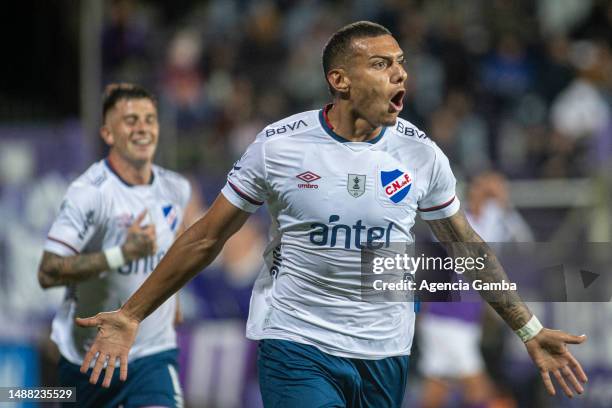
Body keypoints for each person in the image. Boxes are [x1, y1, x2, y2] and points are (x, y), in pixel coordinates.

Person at [76, 22, 588, 407]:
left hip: (384, 349)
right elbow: (206, 236)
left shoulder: (421, 154)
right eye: (383, 64)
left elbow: (467, 246)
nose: (400, 73)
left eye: (401, 62)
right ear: (340, 80)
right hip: (297, 340)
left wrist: (528, 329)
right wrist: (131, 313)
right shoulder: (279, 146)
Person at [38, 83, 194, 407]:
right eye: (131, 120)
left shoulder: (176, 188)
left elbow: (175, 247)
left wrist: (173, 299)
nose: (142, 128)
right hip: (89, 359)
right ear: (108, 134)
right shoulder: (89, 193)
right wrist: (121, 254)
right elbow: (48, 272)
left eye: (149, 119)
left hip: (152, 355)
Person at [418, 172, 534, 408]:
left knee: (436, 390)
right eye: (481, 188)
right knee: (480, 390)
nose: (485, 194)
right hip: (448, 319)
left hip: (462, 321)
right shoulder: (453, 222)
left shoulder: (494, 222)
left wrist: (505, 205)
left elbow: (525, 242)